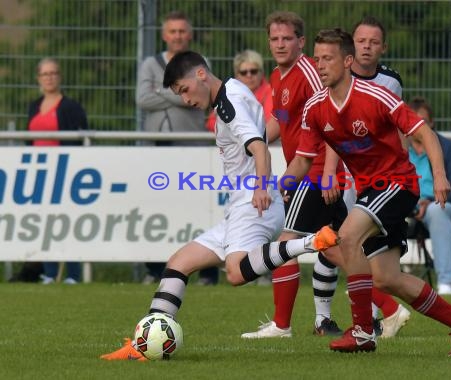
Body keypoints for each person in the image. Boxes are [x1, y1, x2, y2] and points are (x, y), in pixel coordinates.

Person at [100, 50, 340, 361]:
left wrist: (260, 188)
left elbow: (259, 148)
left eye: (184, 90)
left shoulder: (229, 106)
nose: (186, 100)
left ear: (201, 74)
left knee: (236, 273)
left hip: (252, 204)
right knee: (179, 262)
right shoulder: (233, 90)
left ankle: (309, 242)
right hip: (241, 204)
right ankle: (145, 343)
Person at [281, 28, 451, 355]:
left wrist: (440, 174)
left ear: (347, 61)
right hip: (369, 192)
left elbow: (424, 132)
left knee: (345, 239)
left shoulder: (376, 96)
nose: (319, 65)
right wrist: (281, 185)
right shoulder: (315, 108)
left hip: (398, 183)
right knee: (388, 279)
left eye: (327, 58)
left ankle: (362, 331)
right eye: (317, 58)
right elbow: (303, 161)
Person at [241, 10, 347, 339]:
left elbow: (333, 120)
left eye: (287, 38)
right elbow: (282, 121)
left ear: (301, 42)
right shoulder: (277, 75)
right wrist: (252, 142)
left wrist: (328, 171)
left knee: (286, 243)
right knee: (334, 248)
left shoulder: (309, 73)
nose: (280, 44)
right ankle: (389, 306)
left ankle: (282, 325)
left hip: (314, 172)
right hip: (304, 170)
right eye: (274, 39)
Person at [136, 11, 209, 285]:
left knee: (196, 207)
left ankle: (205, 271)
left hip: (192, 144)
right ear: (164, 35)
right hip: (156, 147)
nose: (177, 36)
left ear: (189, 34)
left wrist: (161, 90)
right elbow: (142, 98)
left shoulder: (199, 63)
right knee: (155, 206)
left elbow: (201, 93)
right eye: (172, 31)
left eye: (182, 31)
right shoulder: (150, 63)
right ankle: (154, 269)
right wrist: (180, 92)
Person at [350, 15, 411, 339]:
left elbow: (401, 128)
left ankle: (374, 317)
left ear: (383, 47)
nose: (367, 47)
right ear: (352, 43)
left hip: (379, 178)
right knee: (339, 243)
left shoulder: (391, 81)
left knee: (350, 244)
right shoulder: (339, 77)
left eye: (374, 42)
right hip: (347, 174)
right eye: (361, 41)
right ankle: (368, 316)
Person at [27, 57, 86, 285]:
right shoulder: (34, 106)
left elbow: (81, 139)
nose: (49, 77)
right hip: (41, 174)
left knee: (67, 222)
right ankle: (50, 273)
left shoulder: (70, 107)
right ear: (38, 78)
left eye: (53, 73)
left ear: (59, 77)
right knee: (45, 223)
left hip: (66, 173)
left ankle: (72, 274)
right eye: (45, 74)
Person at [407, 96, 451, 295]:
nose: (418, 127)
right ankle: (374, 283)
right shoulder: (397, 147)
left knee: (437, 210)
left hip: (442, 205)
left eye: (423, 122)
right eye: (413, 121)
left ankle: (446, 283)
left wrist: (431, 201)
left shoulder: (449, 148)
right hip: (405, 205)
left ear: (432, 123)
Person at [206, 49, 273, 132]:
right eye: (244, 72)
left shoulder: (270, 92)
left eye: (253, 71)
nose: (249, 75)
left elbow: (268, 122)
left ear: (261, 73)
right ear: (237, 75)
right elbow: (211, 122)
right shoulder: (229, 92)